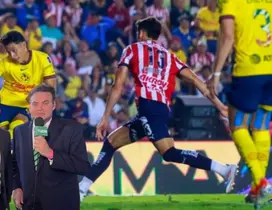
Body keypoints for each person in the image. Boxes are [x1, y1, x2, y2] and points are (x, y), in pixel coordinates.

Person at [78, 17, 239, 201]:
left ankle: (224, 169)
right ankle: (81, 189)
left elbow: (118, 85)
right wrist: (220, 105)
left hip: (149, 107)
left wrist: (105, 117)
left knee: (169, 152)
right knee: (111, 142)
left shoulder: (132, 49)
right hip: (159, 108)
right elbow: (197, 81)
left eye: (138, 33)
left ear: (141, 33)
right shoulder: (170, 56)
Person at [207, 0, 272, 204]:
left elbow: (227, 37)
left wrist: (216, 73)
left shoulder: (231, 3)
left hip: (248, 71)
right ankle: (257, 187)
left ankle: (260, 181)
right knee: (261, 126)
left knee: (237, 124)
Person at [12, 84, 90, 210]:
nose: (40, 108)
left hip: (61, 204)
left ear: (54, 105)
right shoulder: (20, 131)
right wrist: (17, 187)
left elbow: (82, 166)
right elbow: (15, 164)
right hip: (28, 204)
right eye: (35, 104)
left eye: (45, 103)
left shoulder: (71, 129)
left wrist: (50, 154)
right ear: (29, 107)